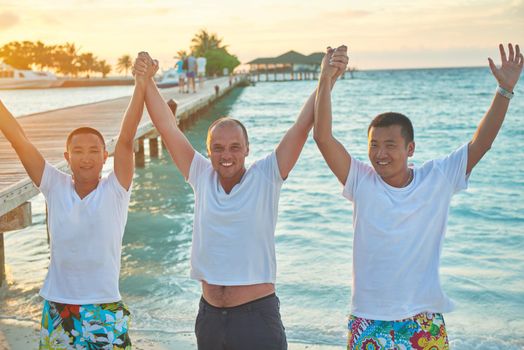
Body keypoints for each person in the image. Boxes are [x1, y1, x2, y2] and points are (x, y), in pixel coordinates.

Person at [132, 48, 348, 350]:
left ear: (247, 149)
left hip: (256, 318)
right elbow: (167, 127)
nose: (227, 155)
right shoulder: (200, 175)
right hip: (209, 316)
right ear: (208, 151)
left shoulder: (267, 176)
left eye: (235, 147)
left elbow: (302, 126)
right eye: (218, 148)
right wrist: (146, 80)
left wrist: (327, 79)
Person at [313, 43, 523, 349]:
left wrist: (504, 90)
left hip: (423, 320)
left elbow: (481, 143)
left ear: (410, 149)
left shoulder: (436, 178)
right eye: (373, 145)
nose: (380, 154)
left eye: (390, 145)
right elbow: (322, 136)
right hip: (368, 318)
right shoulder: (360, 180)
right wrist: (325, 79)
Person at [0, 52, 158, 349]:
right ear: (66, 157)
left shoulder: (115, 190)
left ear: (104, 156)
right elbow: (18, 138)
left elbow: (126, 138)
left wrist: (141, 83)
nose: (86, 158)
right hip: (60, 309)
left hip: (106, 307)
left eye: (94, 151)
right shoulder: (54, 185)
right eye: (78, 151)